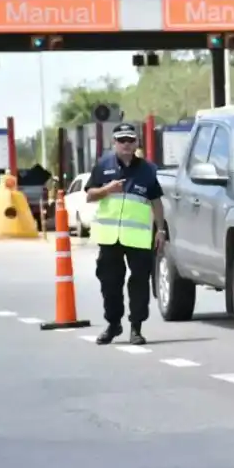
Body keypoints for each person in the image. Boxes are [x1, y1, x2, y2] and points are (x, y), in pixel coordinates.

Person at [84, 123, 166, 346]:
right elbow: (90, 195)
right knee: (110, 283)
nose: (126, 144)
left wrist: (161, 230)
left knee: (139, 284)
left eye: (131, 140)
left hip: (138, 238)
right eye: (122, 140)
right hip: (109, 238)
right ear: (115, 143)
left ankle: (136, 328)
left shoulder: (147, 169)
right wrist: (107, 189)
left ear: (137, 143)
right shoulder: (103, 166)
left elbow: (156, 201)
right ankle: (113, 324)